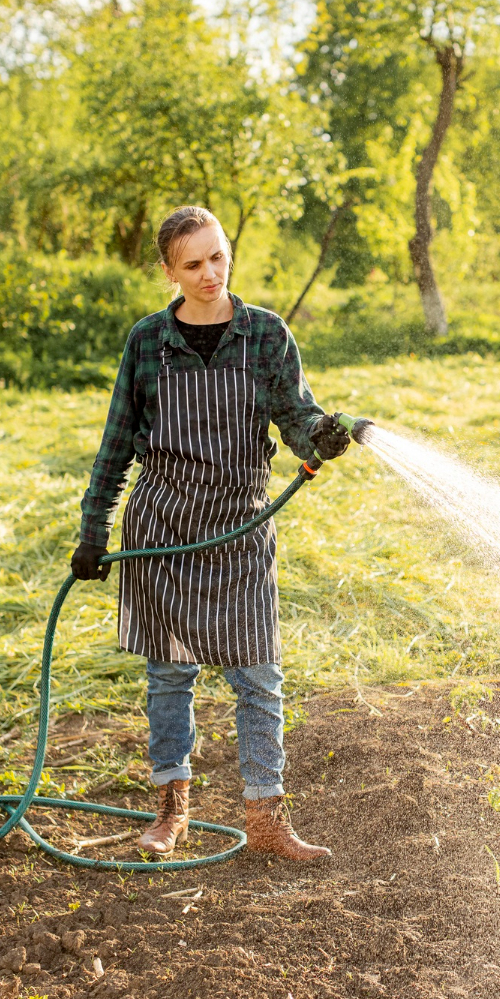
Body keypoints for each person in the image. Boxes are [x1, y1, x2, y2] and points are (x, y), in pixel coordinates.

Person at [71, 205, 351, 863]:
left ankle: (266, 819)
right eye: (192, 264)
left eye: (218, 257)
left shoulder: (265, 335)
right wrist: (94, 530)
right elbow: (115, 444)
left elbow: (297, 417)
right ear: (169, 270)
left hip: (240, 531)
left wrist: (321, 437)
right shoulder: (147, 342)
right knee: (170, 678)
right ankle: (170, 815)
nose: (209, 274)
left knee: (258, 677)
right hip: (163, 532)